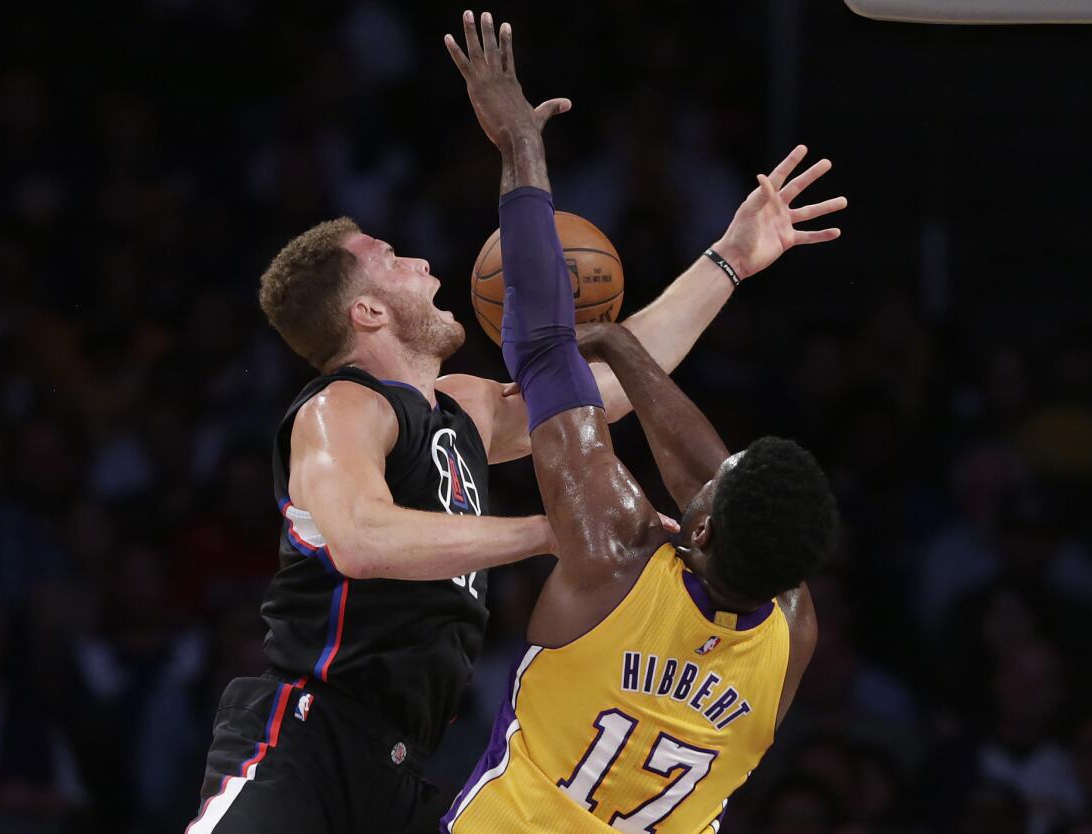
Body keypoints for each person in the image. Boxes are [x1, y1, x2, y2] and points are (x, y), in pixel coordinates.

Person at [186, 9, 846, 833]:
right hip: (309, 737)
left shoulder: (460, 409)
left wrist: (730, 262)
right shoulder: (340, 408)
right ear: (364, 312)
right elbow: (358, 537)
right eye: (394, 259)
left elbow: (595, 382)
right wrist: (545, 532)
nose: (423, 262)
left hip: (406, 762)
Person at [441, 13, 839, 832]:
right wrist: (643, 330)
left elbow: (542, 345)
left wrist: (520, 144)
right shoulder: (793, 631)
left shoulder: (611, 552)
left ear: (697, 533)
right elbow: (713, 490)